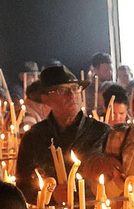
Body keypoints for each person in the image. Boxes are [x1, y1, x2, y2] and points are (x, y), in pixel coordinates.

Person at [13, 64, 111, 192]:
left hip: (94, 204)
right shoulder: (34, 137)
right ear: (46, 99)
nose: (72, 95)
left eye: (75, 88)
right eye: (62, 90)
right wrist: (51, 195)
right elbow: (22, 186)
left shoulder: (101, 132)